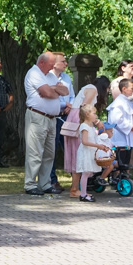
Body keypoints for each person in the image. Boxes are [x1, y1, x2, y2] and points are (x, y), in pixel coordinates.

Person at [23, 52, 68, 195]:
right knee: (35, 152)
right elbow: (47, 93)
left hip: (51, 119)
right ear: (42, 62)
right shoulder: (34, 73)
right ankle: (30, 184)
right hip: (37, 117)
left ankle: (45, 183)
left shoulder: (49, 76)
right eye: (51, 63)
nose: (53, 66)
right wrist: (54, 90)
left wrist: (52, 89)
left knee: (49, 153)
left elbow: (65, 91)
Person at [63, 77, 110, 197]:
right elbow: (85, 107)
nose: (108, 91)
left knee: (76, 153)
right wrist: (97, 121)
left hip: (74, 119)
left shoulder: (88, 88)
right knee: (79, 153)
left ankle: (77, 188)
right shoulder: (93, 89)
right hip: (78, 119)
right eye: (108, 88)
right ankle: (74, 189)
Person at [49, 53, 75, 188]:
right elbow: (49, 98)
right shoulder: (47, 77)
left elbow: (72, 96)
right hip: (54, 116)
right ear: (54, 63)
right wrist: (64, 105)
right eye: (63, 61)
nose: (66, 64)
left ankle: (76, 179)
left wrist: (70, 106)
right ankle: (52, 179)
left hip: (66, 116)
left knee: (70, 147)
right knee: (51, 149)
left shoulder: (66, 78)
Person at [75, 104, 106, 203]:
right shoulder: (84, 126)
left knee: (88, 172)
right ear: (87, 114)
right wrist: (98, 146)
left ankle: (84, 191)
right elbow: (84, 141)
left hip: (90, 151)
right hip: (86, 152)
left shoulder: (90, 126)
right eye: (94, 113)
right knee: (85, 173)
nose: (96, 115)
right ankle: (83, 195)